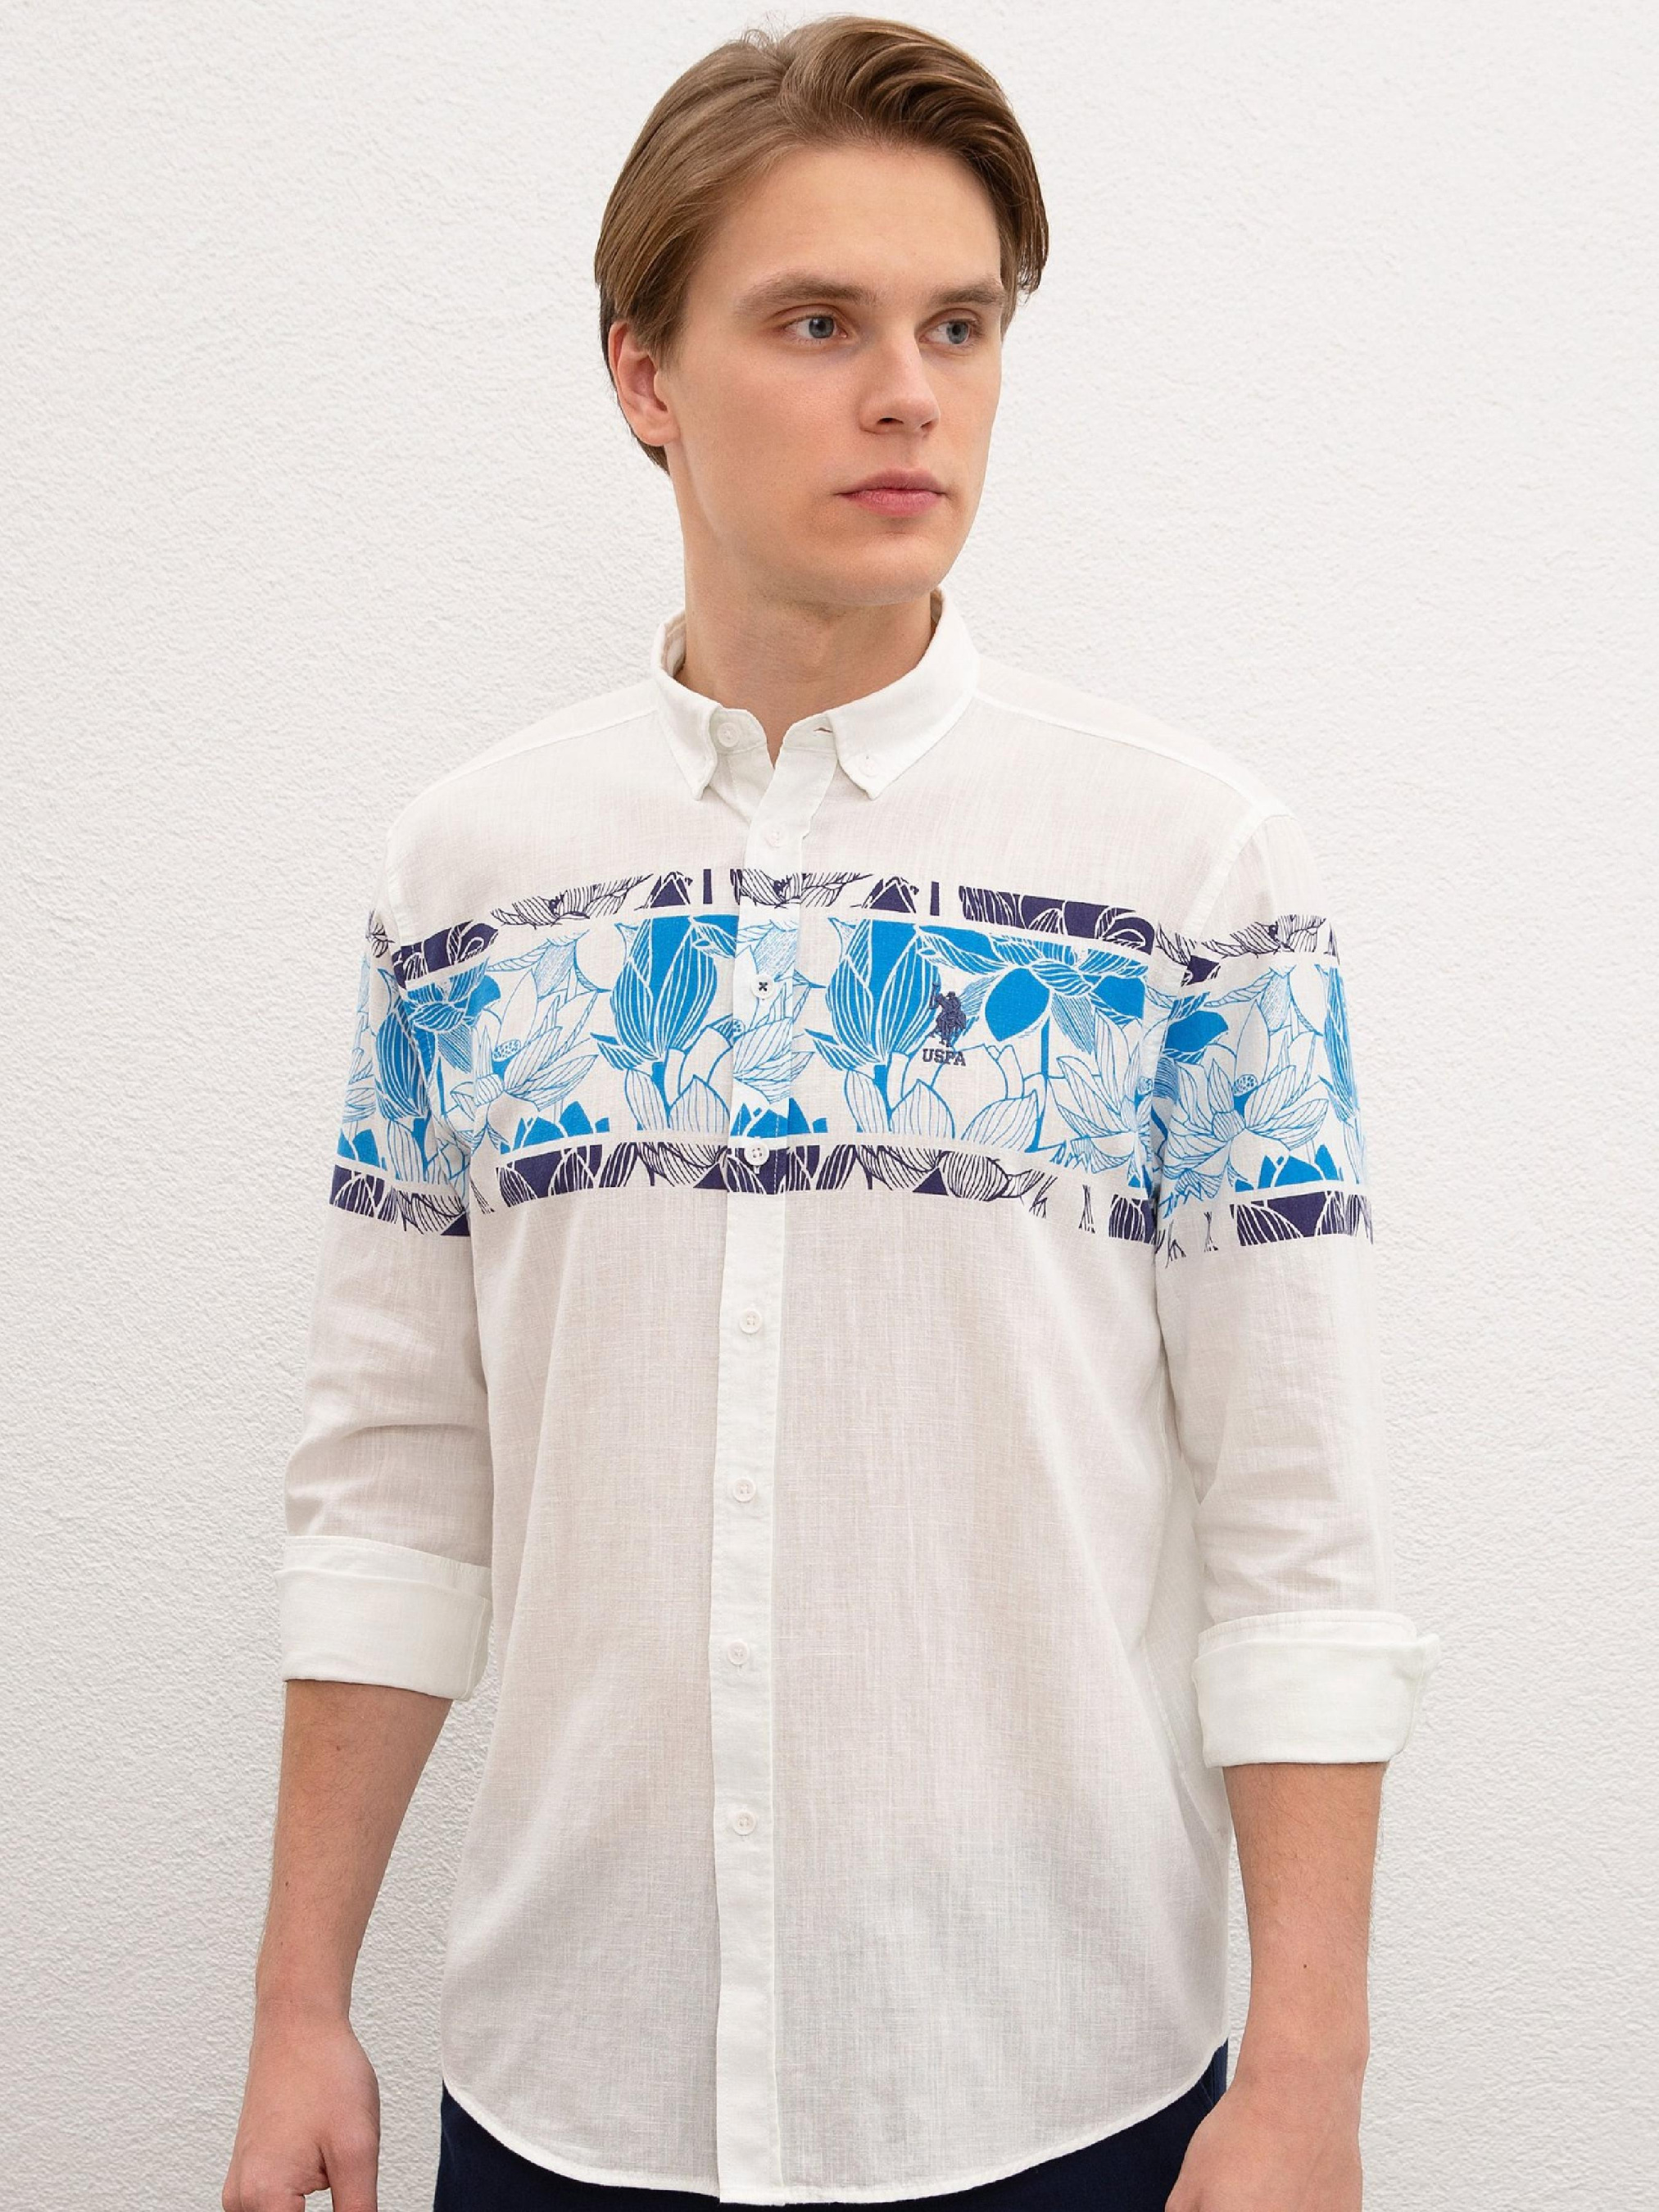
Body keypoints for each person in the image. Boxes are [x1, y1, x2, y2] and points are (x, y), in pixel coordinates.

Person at [223, 15, 1441, 2212]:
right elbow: (392, 1478)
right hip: (571, 2086)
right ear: (644, 376)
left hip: (1054, 2081)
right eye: (818, 324)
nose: (909, 393)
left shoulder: (1192, 881)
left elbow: (1300, 1521)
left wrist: (1308, 2073)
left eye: (958, 326)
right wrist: (298, 1999)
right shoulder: (464, 882)